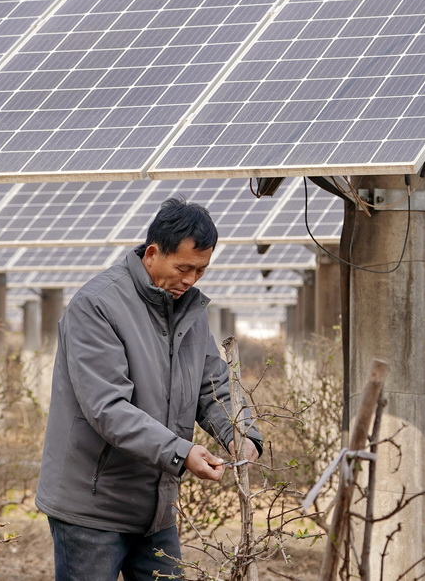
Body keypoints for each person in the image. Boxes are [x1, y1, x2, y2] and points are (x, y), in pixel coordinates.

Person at [36, 196, 263, 581]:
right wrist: (182, 452)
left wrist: (240, 433)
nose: (191, 280)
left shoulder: (188, 309)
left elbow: (212, 386)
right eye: (183, 268)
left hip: (156, 509)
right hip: (92, 510)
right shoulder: (97, 305)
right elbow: (108, 408)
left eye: (201, 270)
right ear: (153, 253)